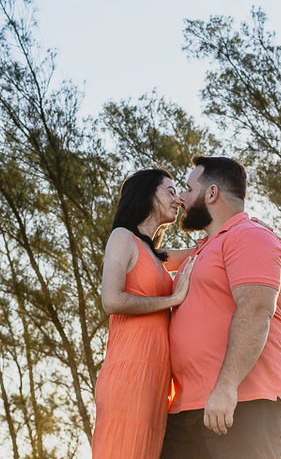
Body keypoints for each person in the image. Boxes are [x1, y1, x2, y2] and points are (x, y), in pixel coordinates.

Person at [160, 156, 281, 459]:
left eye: (187, 189)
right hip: (188, 406)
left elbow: (255, 311)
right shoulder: (204, 248)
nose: (182, 198)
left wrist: (226, 388)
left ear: (211, 194)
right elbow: (154, 257)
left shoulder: (250, 236)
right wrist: (124, 241)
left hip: (241, 400)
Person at [93, 168, 196, 459]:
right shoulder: (122, 237)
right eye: (171, 191)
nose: (178, 200)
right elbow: (112, 300)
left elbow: (200, 251)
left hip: (156, 380)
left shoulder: (156, 256)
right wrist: (172, 300)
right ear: (148, 195)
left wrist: (243, 225)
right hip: (129, 373)